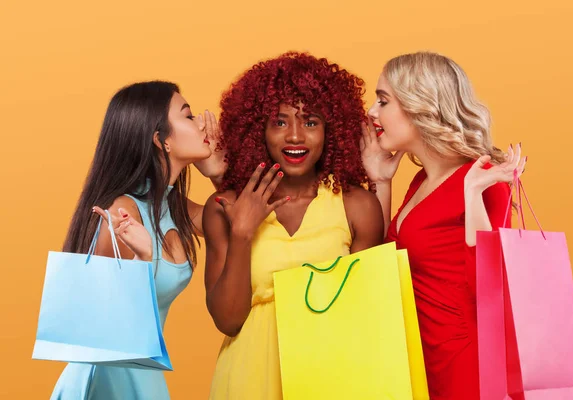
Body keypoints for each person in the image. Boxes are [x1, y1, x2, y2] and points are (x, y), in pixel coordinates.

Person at [203, 52, 384, 400]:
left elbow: (368, 315)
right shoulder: (225, 207)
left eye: (311, 122)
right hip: (248, 381)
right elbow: (228, 321)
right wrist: (242, 232)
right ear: (259, 129)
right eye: (280, 122)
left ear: (332, 129)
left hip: (333, 379)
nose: (296, 137)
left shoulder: (357, 206)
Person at [361, 52, 526, 399]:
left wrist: (474, 194)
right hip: (421, 360)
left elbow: (491, 291)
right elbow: (381, 270)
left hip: (464, 366)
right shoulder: (420, 181)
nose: (372, 112)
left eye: (383, 100)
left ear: (419, 104)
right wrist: (380, 181)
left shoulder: (483, 180)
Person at [51, 80, 225, 399]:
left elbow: (242, 222)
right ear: (161, 140)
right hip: (107, 372)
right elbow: (93, 322)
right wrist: (140, 264)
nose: (202, 121)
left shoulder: (173, 206)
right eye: (188, 116)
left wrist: (216, 172)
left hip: (140, 369)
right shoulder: (122, 211)